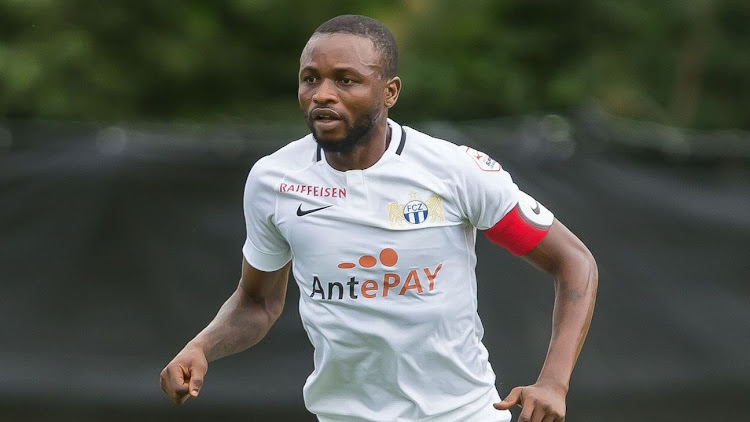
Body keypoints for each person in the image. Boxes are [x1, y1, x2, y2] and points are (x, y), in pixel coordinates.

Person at [160, 14, 598, 422]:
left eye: (346, 80)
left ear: (390, 92)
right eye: (310, 78)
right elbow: (257, 303)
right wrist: (201, 348)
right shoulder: (274, 181)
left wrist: (554, 383)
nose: (323, 94)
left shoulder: (454, 171)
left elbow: (574, 262)